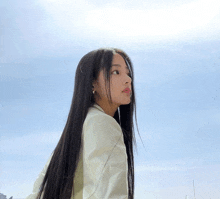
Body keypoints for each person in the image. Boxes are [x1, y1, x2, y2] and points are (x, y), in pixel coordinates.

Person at [25, 48, 138, 199]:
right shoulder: (102, 123)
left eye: (128, 74)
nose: (128, 80)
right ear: (93, 84)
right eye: (115, 72)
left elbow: (38, 192)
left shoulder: (78, 127)